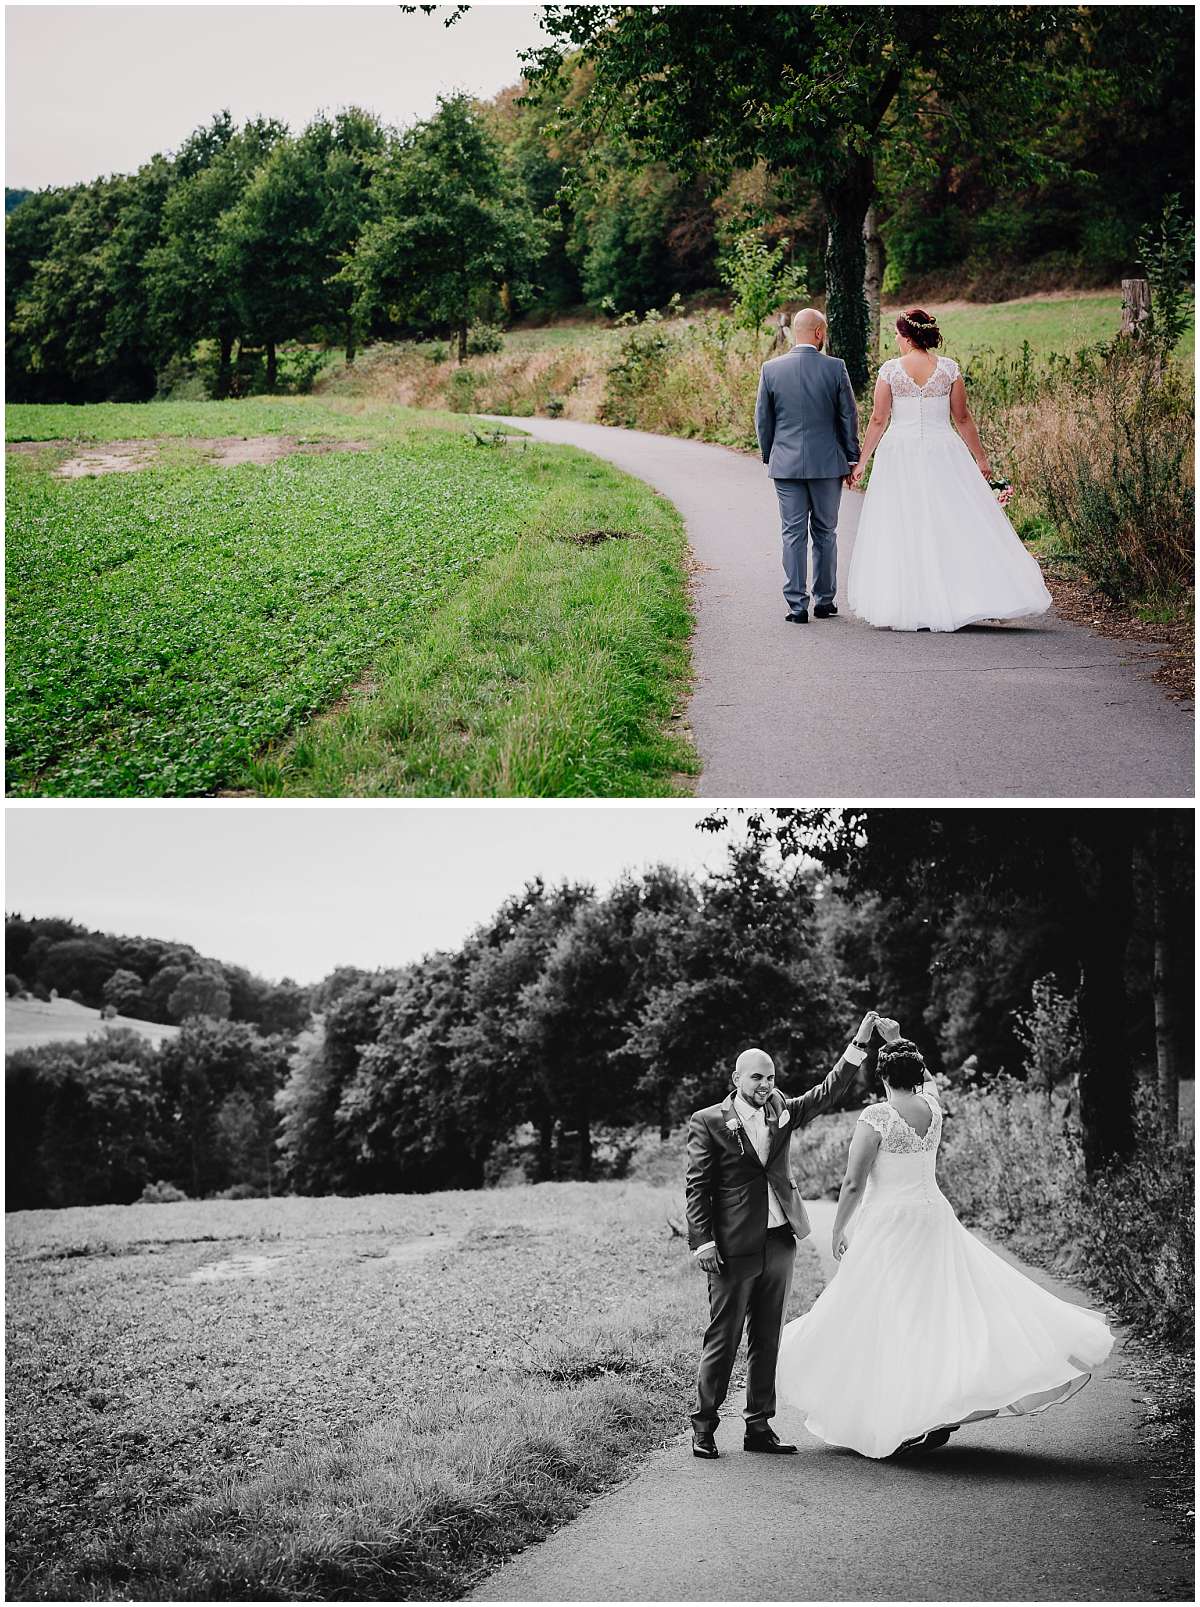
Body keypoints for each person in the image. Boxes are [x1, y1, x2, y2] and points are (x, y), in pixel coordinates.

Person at [775, 1037, 1113, 1459]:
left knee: (893, 1314)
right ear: (917, 1075)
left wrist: (838, 1228)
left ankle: (910, 1416)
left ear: (881, 1076)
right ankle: (931, 1411)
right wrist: (901, 1039)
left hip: (890, 1225)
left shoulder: (877, 1116)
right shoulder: (933, 1111)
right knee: (935, 1311)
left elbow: (853, 1182)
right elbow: (931, 1083)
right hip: (934, 1218)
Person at [685, 1011, 878, 1459]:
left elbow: (829, 1091)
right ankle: (704, 1427)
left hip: (780, 1239)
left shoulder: (782, 1111)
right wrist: (703, 1241)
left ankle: (758, 1426)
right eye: (756, 1077)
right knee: (724, 1336)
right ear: (736, 1077)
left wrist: (859, 1044)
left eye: (770, 1077)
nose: (765, 1084)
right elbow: (697, 1186)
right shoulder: (709, 1121)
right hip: (731, 1246)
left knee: (768, 1336)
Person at [845, 308, 1053, 632]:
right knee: (951, 519)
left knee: (904, 523)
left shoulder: (890, 371)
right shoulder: (948, 369)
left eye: (898, 335)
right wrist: (981, 460)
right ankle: (958, 597)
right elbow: (963, 418)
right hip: (944, 450)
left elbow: (877, 419)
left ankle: (912, 602)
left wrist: (862, 461)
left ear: (908, 336)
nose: (896, 341)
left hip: (900, 452)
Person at [754, 308, 861, 625]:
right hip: (828, 463)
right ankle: (825, 601)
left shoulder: (771, 369)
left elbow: (763, 420)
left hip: (786, 464)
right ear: (819, 333)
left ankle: (796, 605)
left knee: (792, 534)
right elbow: (847, 417)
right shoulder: (835, 368)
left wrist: (770, 455)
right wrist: (850, 456)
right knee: (826, 532)